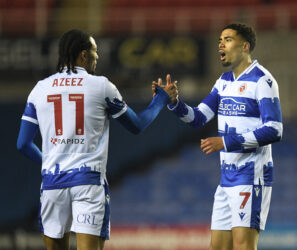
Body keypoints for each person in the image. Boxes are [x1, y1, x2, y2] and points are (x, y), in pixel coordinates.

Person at [17, 29, 177, 250]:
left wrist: (50, 163)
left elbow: (23, 144)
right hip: (88, 184)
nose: (97, 56)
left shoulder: (39, 89)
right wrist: (161, 99)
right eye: (95, 51)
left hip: (53, 184)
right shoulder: (101, 86)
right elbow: (137, 125)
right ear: (83, 54)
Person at [153, 23, 282, 250]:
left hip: (250, 176)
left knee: (243, 246)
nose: (221, 44)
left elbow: (274, 129)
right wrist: (174, 103)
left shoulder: (262, 80)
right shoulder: (223, 82)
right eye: (220, 40)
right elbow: (198, 118)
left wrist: (225, 142)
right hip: (226, 179)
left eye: (228, 39)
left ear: (245, 46)